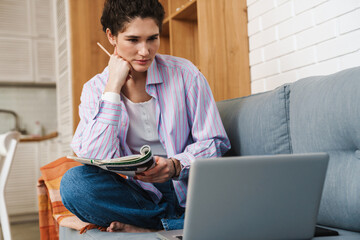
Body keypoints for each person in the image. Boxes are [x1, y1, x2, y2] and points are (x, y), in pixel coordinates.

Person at [60, 0, 230, 233]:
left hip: (189, 186)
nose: (145, 51)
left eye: (152, 38)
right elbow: (95, 157)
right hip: (141, 195)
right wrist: (112, 89)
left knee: (247, 202)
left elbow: (216, 143)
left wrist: (176, 165)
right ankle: (174, 224)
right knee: (74, 184)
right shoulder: (95, 88)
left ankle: (156, 227)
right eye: (133, 40)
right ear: (111, 36)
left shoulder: (185, 74)